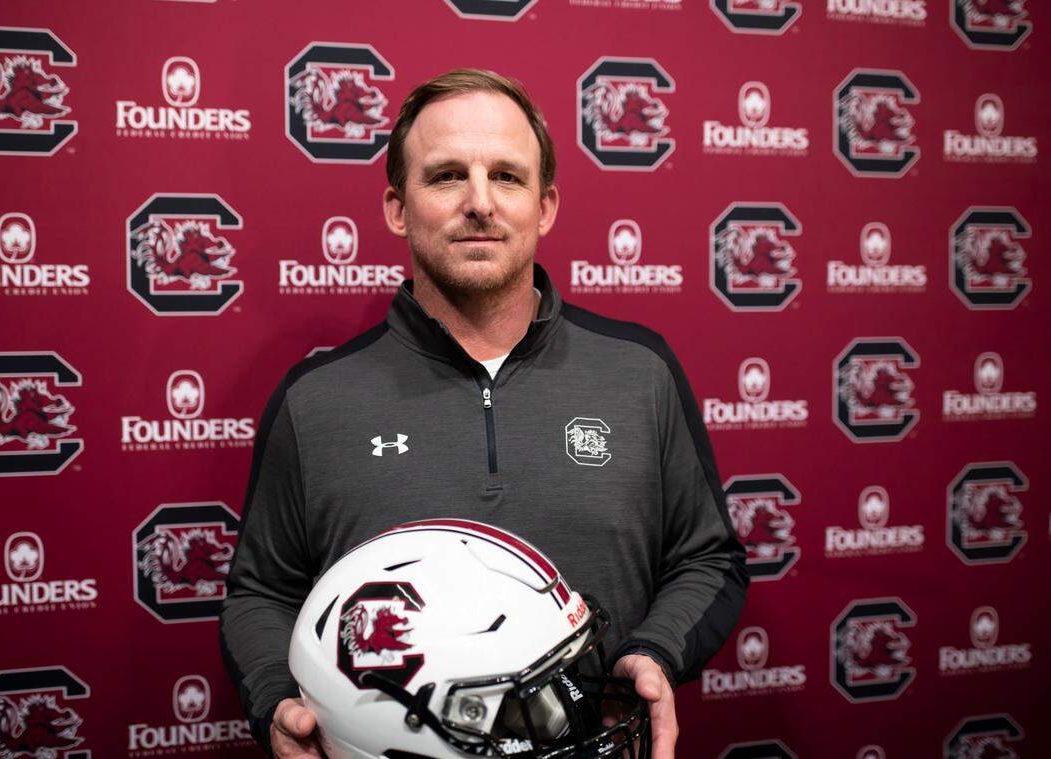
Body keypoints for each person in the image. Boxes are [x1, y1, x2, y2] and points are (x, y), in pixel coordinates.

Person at [220, 69, 748, 759]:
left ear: (546, 204)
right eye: (445, 176)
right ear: (397, 207)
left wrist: (654, 651)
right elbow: (260, 591)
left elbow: (708, 557)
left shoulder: (639, 370)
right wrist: (274, 701)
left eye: (506, 175)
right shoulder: (316, 399)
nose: (479, 202)